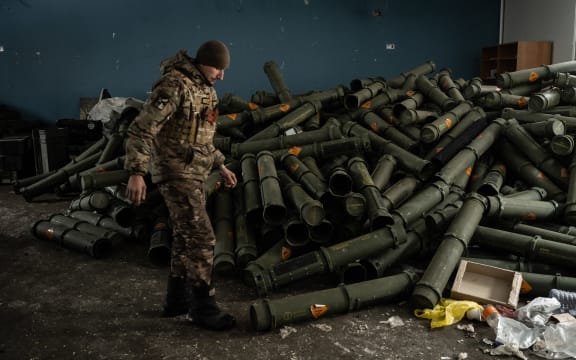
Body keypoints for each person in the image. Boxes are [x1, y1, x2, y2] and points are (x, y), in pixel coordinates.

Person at [123, 40, 238, 331]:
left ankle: (177, 301)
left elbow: (201, 139)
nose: (221, 75)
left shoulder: (205, 90)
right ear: (202, 62)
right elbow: (141, 129)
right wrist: (137, 172)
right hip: (174, 172)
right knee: (202, 238)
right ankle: (204, 308)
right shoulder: (174, 86)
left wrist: (220, 165)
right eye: (217, 67)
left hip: (195, 171)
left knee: (186, 238)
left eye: (224, 70)